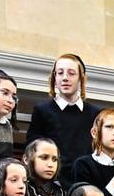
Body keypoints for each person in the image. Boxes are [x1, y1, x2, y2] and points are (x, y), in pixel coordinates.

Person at [26, 54, 102, 185]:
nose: (65, 78)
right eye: (60, 73)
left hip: (86, 182)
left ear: (81, 79)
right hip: (53, 183)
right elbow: (33, 149)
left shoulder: (95, 114)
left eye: (71, 73)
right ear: (54, 78)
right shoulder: (42, 110)